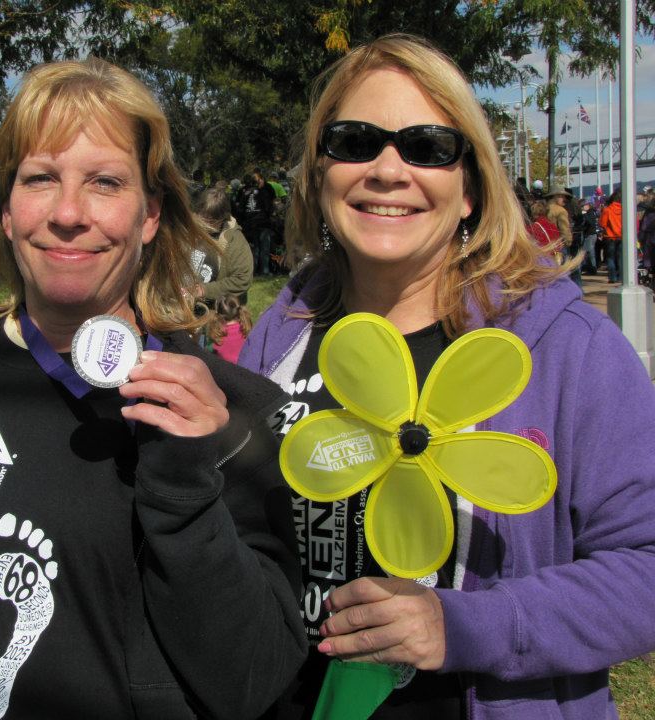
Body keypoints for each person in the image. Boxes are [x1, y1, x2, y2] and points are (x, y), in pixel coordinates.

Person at [0, 57, 306, 718]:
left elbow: (254, 680)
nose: (69, 213)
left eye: (105, 182)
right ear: (6, 210)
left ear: (149, 215)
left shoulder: (232, 412)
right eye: (41, 178)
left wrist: (185, 494)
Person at [239, 33, 655, 720]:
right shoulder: (282, 335)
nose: (387, 170)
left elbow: (645, 566)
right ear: (320, 173)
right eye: (355, 141)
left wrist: (466, 625)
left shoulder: (566, 349)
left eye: (427, 147)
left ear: (470, 189)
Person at [193, 187, 254, 305]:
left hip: (219, 309)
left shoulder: (235, 240)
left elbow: (242, 279)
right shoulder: (188, 228)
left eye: (209, 221)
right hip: (184, 306)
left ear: (222, 218)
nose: (203, 224)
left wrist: (204, 290)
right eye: (200, 217)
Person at [206, 294, 252, 364]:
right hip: (244, 366)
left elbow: (208, 352)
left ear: (218, 314)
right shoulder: (245, 327)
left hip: (223, 368)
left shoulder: (217, 334)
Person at [599, 187, 622, 283]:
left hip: (610, 237)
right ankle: (621, 277)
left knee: (610, 258)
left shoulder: (607, 210)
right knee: (620, 258)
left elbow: (602, 224)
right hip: (621, 236)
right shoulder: (624, 210)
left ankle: (612, 277)